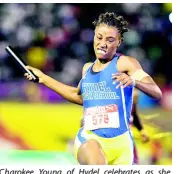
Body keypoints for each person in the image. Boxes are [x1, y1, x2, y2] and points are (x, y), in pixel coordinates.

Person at [24, 12, 162, 165]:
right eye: (99, 37)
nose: (102, 43)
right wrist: (43, 78)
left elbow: (156, 92)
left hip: (122, 147)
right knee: (95, 157)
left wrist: (134, 81)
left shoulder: (126, 63)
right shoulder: (87, 69)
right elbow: (79, 97)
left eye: (110, 40)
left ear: (119, 42)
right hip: (91, 139)